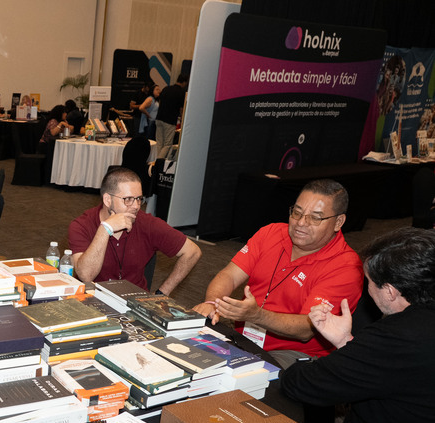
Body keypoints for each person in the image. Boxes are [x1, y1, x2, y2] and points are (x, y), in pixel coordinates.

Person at [280, 227, 435, 423]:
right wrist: (347, 343)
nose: (367, 291)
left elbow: (301, 385)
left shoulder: (397, 337)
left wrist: (350, 351)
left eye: (370, 283)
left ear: (390, 291)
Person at [193, 179, 363, 366]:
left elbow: (306, 329)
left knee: (239, 375)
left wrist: (257, 315)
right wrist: (212, 302)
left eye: (315, 218)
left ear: (338, 222)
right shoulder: (271, 233)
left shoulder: (345, 267)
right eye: (297, 212)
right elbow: (230, 275)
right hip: (244, 336)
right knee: (188, 354)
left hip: (293, 353)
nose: (301, 223)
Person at [68, 167, 201, 294]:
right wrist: (105, 229)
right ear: (108, 200)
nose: (136, 206)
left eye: (138, 199)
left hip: (133, 301)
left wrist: (162, 293)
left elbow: (192, 252)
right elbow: (86, 276)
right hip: (93, 298)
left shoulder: (147, 223)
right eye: (128, 199)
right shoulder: (82, 225)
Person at [155, 74, 188, 159]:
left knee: (159, 142)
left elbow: (160, 101)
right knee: (167, 144)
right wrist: (182, 119)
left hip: (159, 118)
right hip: (170, 120)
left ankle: (156, 161)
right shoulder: (181, 92)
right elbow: (182, 109)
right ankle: (158, 162)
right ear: (184, 82)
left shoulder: (166, 88)